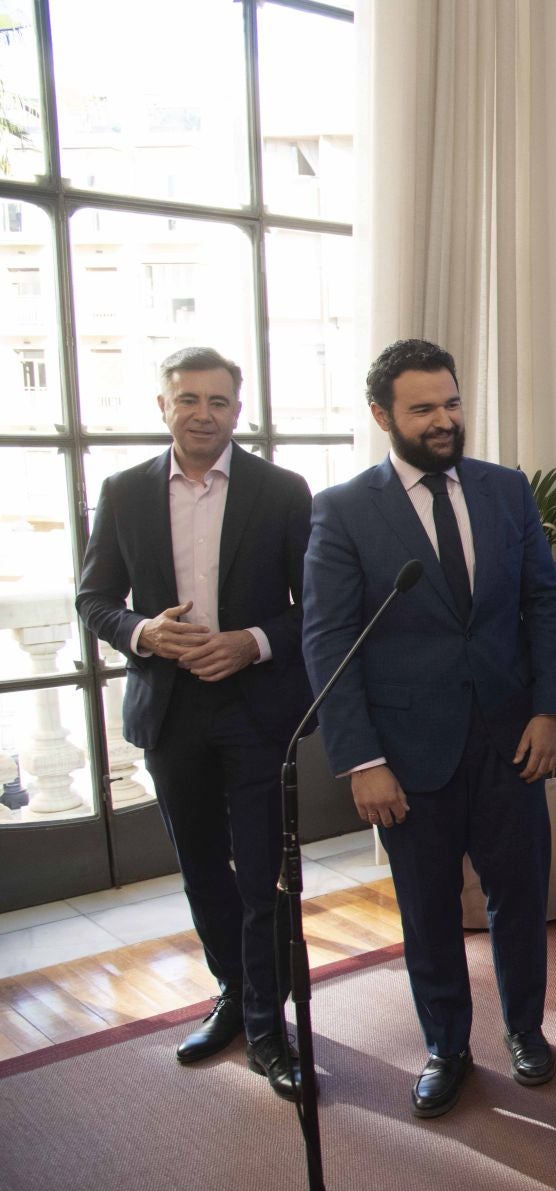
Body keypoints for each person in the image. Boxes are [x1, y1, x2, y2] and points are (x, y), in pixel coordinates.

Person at [302, 339, 556, 1119]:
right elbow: (329, 640)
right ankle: (447, 1046)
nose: (445, 419)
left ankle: (526, 1029)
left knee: (520, 896)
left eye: (452, 402)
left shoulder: (506, 491)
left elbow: (545, 604)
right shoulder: (345, 509)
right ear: (383, 415)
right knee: (426, 909)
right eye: (424, 408)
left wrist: (550, 709)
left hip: (510, 740)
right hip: (408, 753)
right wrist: (361, 759)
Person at [75, 346, 312, 1100]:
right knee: (203, 867)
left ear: (237, 411)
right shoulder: (122, 492)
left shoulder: (282, 490)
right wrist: (145, 632)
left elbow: (316, 606)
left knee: (261, 875)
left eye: (217, 401)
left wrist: (252, 643)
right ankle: (231, 997)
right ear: (163, 407)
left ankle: (269, 1025)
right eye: (188, 400)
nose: (203, 414)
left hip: (254, 707)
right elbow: (94, 600)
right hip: (170, 710)